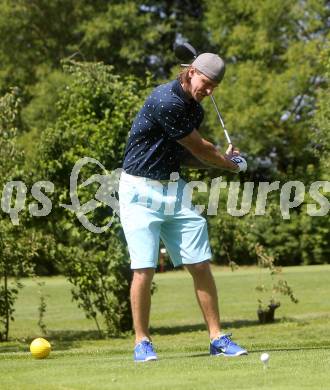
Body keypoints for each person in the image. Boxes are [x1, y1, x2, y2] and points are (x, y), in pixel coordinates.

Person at [119, 52, 248, 362]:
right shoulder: (166, 100)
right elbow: (201, 148)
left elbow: (189, 156)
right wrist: (230, 164)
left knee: (200, 263)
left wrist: (223, 162)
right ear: (191, 73)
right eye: (206, 83)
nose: (209, 91)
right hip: (139, 190)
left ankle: (217, 338)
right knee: (144, 269)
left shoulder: (195, 111)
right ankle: (142, 342)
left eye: (215, 87)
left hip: (174, 189)